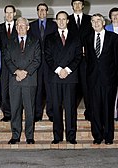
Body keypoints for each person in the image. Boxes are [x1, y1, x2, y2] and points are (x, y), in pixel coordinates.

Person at [45, 11, 81, 144]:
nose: (61, 21)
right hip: (55, 77)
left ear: (68, 21)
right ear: (56, 21)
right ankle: (57, 137)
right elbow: (48, 56)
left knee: (71, 108)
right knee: (56, 107)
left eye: (64, 19)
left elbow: (78, 56)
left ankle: (71, 137)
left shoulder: (76, 37)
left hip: (70, 77)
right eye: (59, 19)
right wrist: (59, 70)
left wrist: (67, 70)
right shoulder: (49, 38)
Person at [85, 13, 118, 145]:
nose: (96, 23)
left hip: (108, 79)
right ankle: (97, 136)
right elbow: (88, 59)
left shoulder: (114, 38)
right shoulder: (88, 39)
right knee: (95, 109)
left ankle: (108, 137)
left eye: (98, 21)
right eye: (93, 21)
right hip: (93, 80)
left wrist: (110, 73)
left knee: (108, 108)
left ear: (104, 22)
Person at [4, 17, 41, 144]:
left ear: (28, 27)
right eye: (18, 26)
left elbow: (37, 60)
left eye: (23, 25)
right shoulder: (10, 42)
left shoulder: (35, 41)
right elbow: (7, 60)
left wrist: (25, 72)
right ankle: (15, 135)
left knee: (30, 110)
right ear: (15, 28)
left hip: (29, 79)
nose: (20, 28)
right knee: (15, 109)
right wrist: (16, 71)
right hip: (14, 80)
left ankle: (29, 136)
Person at [30, 3, 57, 122]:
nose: (42, 12)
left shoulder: (53, 25)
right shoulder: (31, 26)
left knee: (50, 87)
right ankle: (37, 113)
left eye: (44, 10)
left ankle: (51, 112)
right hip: (36, 62)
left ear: (47, 12)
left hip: (49, 62)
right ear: (37, 12)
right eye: (40, 10)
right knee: (38, 88)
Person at [67, 0, 93, 121]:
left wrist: (86, 50)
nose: (77, 6)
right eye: (75, 4)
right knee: (72, 88)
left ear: (83, 6)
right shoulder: (67, 19)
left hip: (85, 59)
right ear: (72, 6)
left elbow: (94, 38)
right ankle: (71, 114)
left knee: (87, 86)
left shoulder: (90, 19)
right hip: (71, 59)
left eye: (79, 4)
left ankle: (90, 112)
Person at [0, 5, 17, 122]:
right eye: (6, 13)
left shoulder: (19, 27)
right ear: (4, 14)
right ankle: (7, 113)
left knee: (15, 90)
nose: (8, 15)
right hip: (3, 65)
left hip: (16, 64)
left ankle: (15, 112)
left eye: (11, 12)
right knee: (4, 90)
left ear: (14, 14)